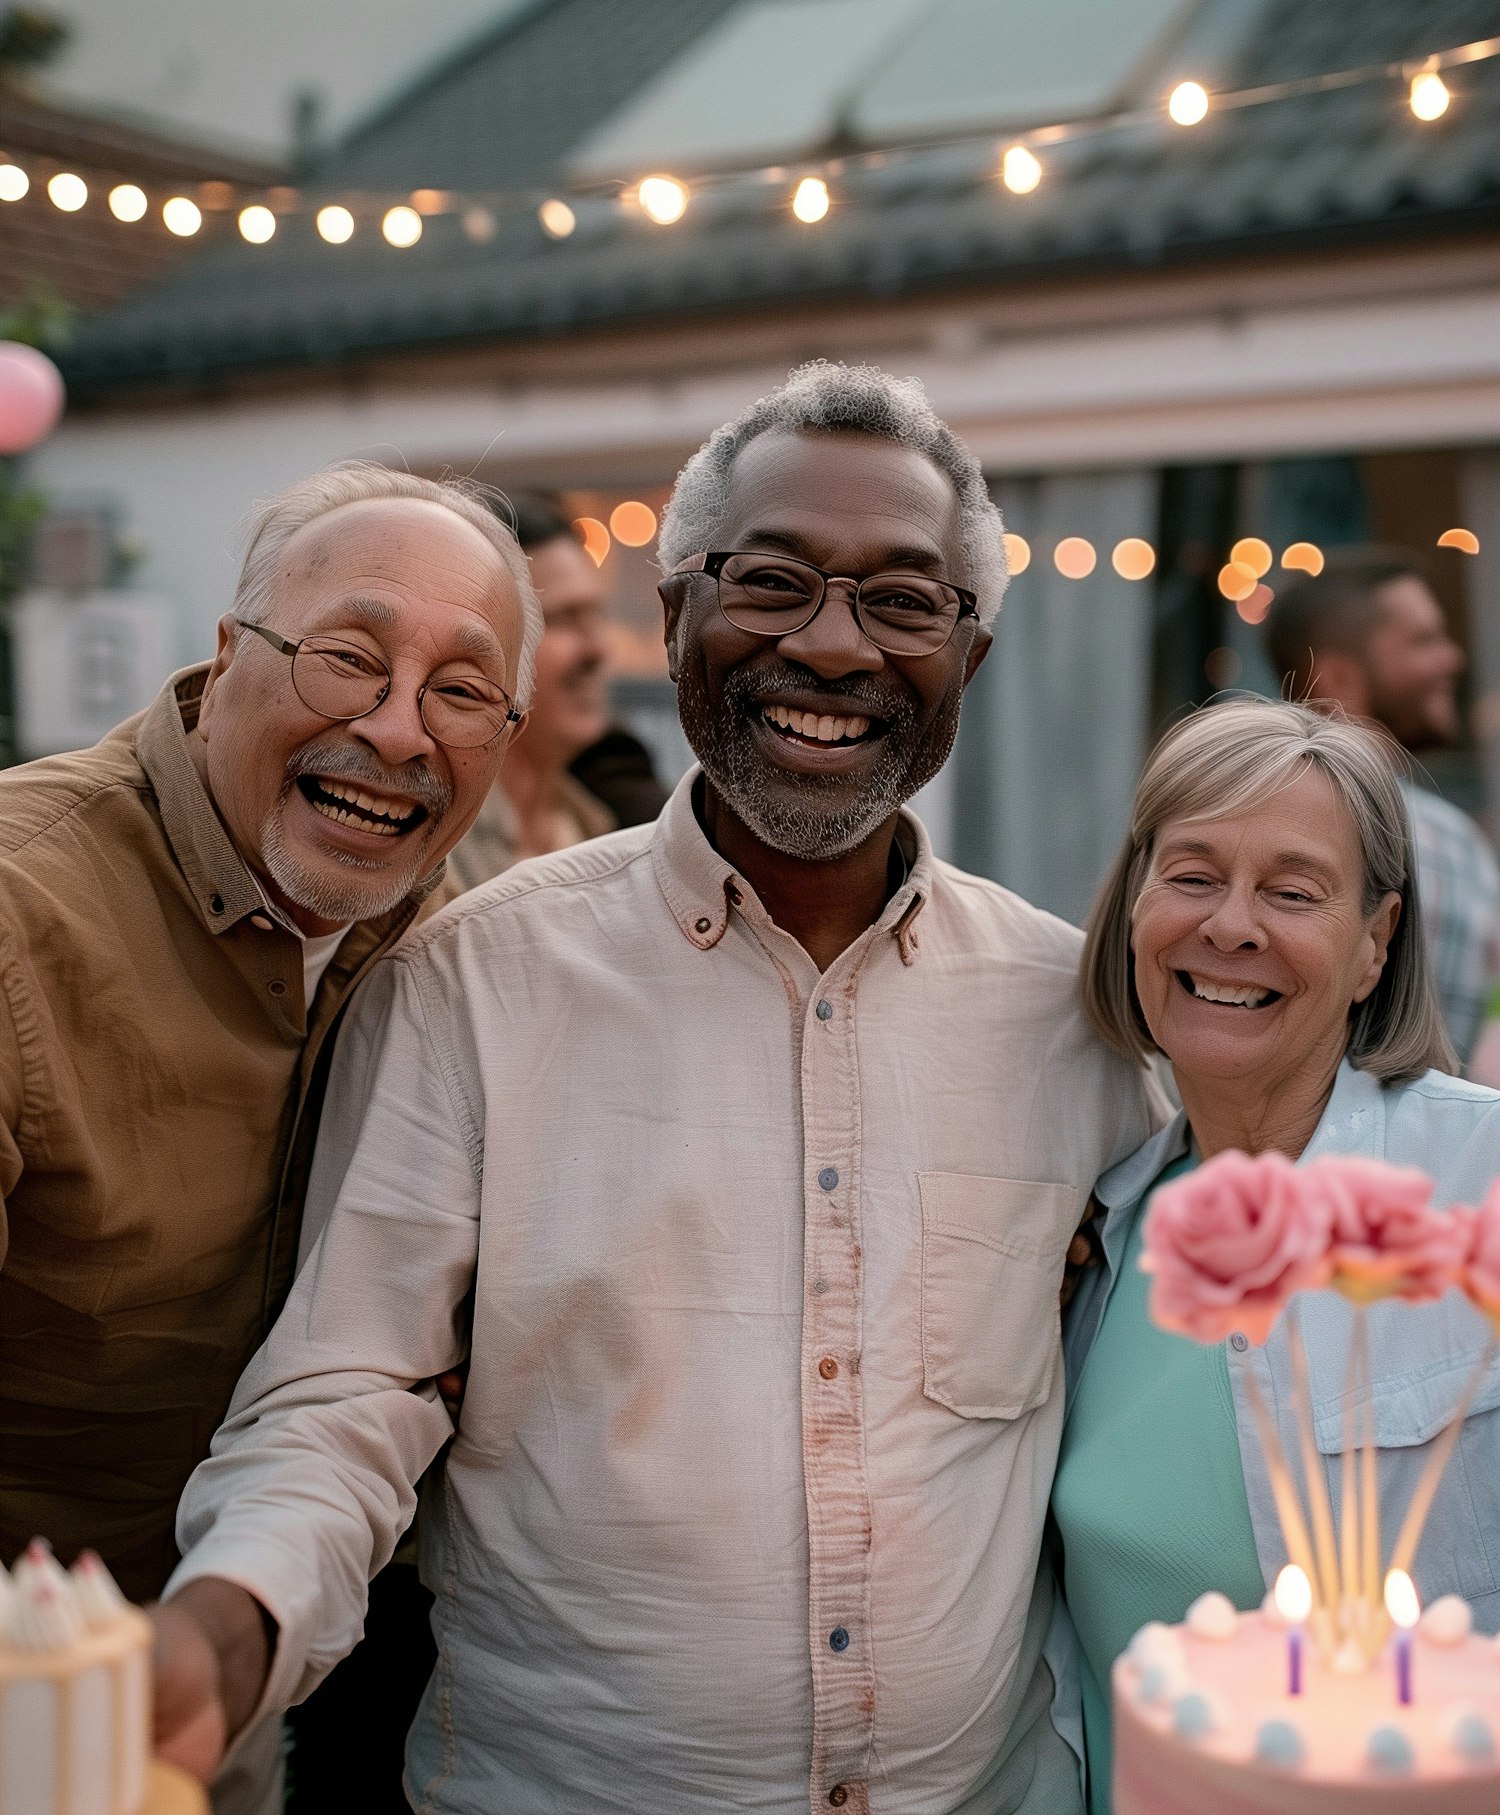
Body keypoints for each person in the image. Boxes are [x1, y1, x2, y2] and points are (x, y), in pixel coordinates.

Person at [151, 361, 1162, 1815]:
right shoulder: (472, 983)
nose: (832, 644)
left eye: (901, 597)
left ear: (971, 655)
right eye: (773, 579)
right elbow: (347, 1392)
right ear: (676, 613)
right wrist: (230, 1620)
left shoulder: (1076, 1019)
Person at [0, 459, 539, 1806]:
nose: (402, 730)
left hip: (241, 1659)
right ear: (227, 653)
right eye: (349, 658)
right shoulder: (20, 912)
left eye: (462, 690)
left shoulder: (453, 923)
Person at [1051, 698, 1500, 1814]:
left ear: (1374, 945)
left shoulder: (1477, 1179)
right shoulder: (1096, 1233)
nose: (1232, 927)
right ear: (1135, 908)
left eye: (1293, 892)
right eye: (1193, 876)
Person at [1264, 550, 1500, 1065]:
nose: (1452, 659)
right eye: (1423, 640)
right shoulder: (1449, 836)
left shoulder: (1453, 834)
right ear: (1338, 680)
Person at [445, 497, 665, 891]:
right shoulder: (436, 848)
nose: (598, 650)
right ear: (487, 645)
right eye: (565, 618)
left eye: (595, 615)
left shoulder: (599, 827)